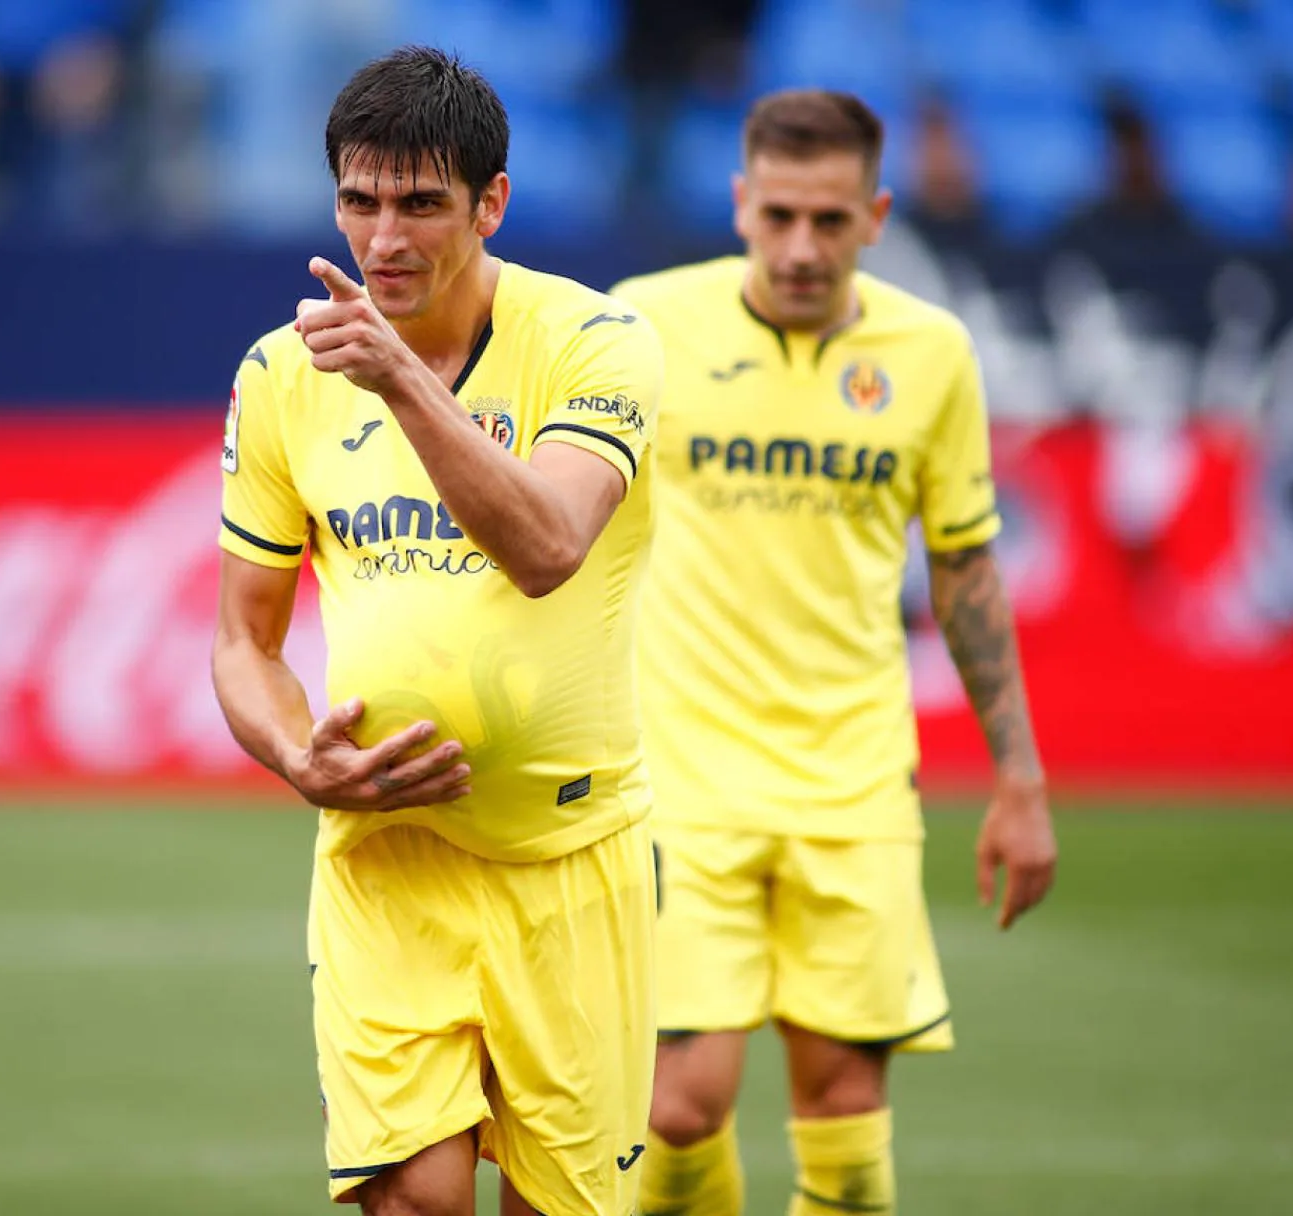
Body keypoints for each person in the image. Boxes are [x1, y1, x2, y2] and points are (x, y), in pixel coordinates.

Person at [211, 46, 664, 1216]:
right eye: (360, 201)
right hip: (389, 865)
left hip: (570, 861)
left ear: (490, 203)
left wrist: (404, 382)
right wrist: (297, 754)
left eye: (420, 203)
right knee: (415, 1198)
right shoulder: (280, 376)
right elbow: (244, 642)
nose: (385, 238)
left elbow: (550, 545)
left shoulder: (596, 343)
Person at [608, 89, 1058, 1216]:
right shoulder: (639, 325)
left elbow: (963, 565)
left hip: (853, 782)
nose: (802, 248)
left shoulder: (932, 353)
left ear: (877, 213)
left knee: (847, 1114)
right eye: (779, 217)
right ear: (739, 205)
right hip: (682, 784)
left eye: (830, 220)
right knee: (675, 1108)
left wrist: (1019, 776)